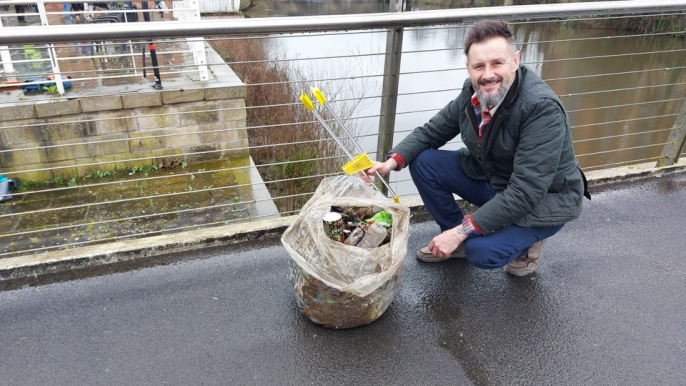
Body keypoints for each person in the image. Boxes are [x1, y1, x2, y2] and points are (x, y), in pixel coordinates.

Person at [364, 20, 589, 276]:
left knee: (482, 252)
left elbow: (526, 192)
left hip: (543, 199)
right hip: (497, 179)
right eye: (479, 66)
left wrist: (463, 231)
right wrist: (389, 163)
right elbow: (431, 132)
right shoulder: (471, 92)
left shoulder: (541, 109)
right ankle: (454, 239)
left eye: (497, 63)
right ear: (468, 67)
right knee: (424, 162)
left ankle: (526, 245)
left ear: (515, 61)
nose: (488, 74)